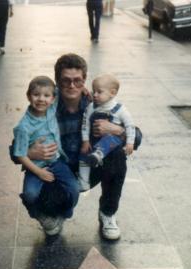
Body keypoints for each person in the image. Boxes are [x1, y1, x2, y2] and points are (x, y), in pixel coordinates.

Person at [25, 53, 130, 240]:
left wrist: (118, 130)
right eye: (66, 81)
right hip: (58, 170)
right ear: (57, 81)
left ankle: (108, 213)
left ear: (84, 81)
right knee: (38, 195)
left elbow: (135, 135)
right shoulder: (45, 106)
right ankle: (55, 212)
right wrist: (29, 152)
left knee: (117, 157)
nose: (72, 86)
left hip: (89, 165)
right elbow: (16, 143)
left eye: (77, 81)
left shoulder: (97, 103)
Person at [13, 76, 79, 236]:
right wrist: (38, 172)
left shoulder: (51, 109)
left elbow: (61, 92)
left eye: (46, 95)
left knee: (74, 189)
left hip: (57, 161)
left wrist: (81, 89)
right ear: (28, 96)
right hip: (36, 166)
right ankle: (41, 216)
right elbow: (20, 155)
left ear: (52, 99)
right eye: (36, 95)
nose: (41, 99)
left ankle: (64, 214)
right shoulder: (24, 127)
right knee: (30, 194)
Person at [78, 74, 135, 192]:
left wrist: (130, 143)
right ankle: (84, 181)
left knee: (112, 138)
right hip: (93, 141)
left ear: (112, 93)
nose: (95, 95)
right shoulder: (91, 107)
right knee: (83, 154)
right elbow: (85, 124)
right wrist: (85, 141)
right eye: (94, 91)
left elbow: (130, 126)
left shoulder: (120, 109)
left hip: (112, 146)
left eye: (99, 92)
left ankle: (98, 154)